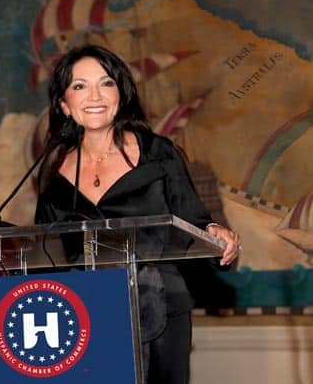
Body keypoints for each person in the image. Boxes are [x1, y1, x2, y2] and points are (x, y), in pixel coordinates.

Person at [34, 44, 241, 384]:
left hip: (158, 305)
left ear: (121, 93)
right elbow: (43, 252)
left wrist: (217, 231)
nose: (95, 95)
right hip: (84, 316)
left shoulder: (157, 153)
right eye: (79, 86)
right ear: (64, 106)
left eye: (106, 83)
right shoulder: (54, 170)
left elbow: (196, 220)